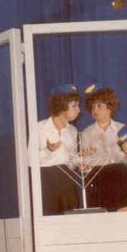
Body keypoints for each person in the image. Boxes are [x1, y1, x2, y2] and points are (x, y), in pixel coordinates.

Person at [78, 83, 127, 211]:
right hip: (97, 178)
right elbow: (84, 164)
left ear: (110, 107)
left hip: (119, 176)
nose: (95, 110)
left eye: (99, 106)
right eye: (92, 107)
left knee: (121, 213)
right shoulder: (86, 133)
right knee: (99, 215)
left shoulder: (122, 129)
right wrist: (84, 163)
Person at [37, 84, 81, 215]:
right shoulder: (39, 128)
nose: (79, 110)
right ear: (62, 106)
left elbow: (71, 162)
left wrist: (80, 160)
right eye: (74, 106)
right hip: (46, 182)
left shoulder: (73, 131)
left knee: (70, 219)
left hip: (68, 183)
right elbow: (29, 160)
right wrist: (48, 150)